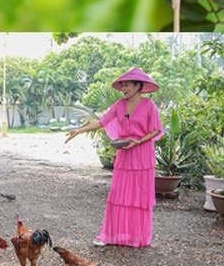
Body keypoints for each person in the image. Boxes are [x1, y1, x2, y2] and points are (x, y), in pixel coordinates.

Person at [64, 68, 163, 248]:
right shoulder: (119, 105)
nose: (123, 88)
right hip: (125, 153)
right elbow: (102, 122)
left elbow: (157, 129)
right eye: (123, 85)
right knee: (118, 194)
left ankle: (137, 237)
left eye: (127, 85)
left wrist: (139, 141)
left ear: (138, 86)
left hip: (143, 155)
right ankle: (110, 235)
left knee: (139, 197)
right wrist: (79, 130)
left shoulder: (149, 105)